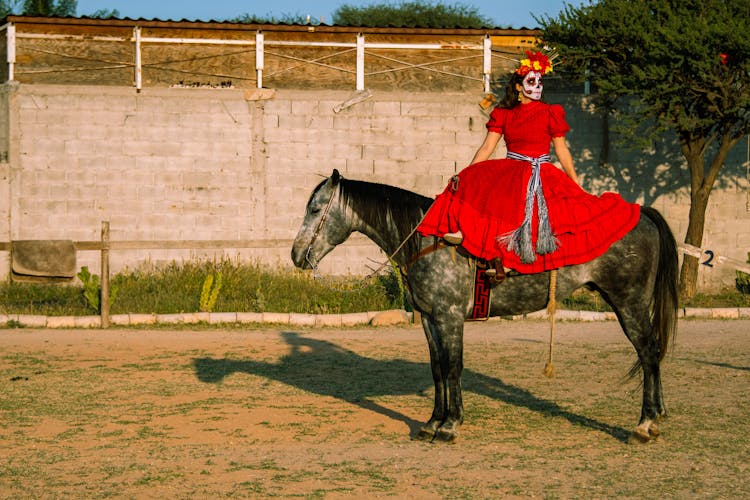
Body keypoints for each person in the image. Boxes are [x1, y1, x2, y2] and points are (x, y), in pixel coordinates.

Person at [417, 51, 641, 284]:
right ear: (517, 86)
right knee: (490, 198)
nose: (537, 86)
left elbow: (562, 150)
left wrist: (574, 180)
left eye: (539, 81)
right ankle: (481, 245)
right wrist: (466, 174)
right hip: (512, 170)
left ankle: (520, 265)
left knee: (546, 218)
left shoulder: (549, 112)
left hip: (542, 172)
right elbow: (487, 148)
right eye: (531, 81)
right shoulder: (503, 114)